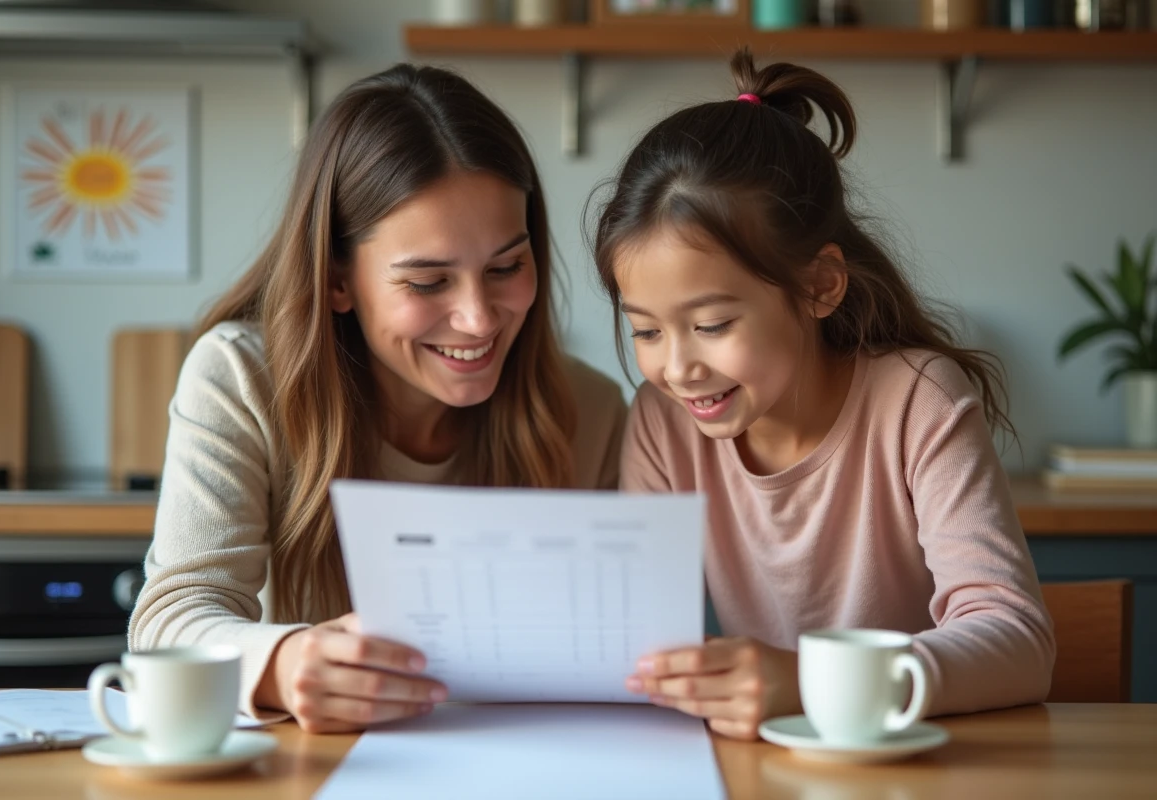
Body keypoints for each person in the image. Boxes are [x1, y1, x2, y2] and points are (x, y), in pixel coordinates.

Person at [129, 63, 627, 733]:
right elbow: (169, 620)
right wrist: (283, 661)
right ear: (339, 281)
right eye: (427, 283)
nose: (479, 319)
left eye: (507, 267)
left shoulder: (592, 410)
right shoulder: (239, 379)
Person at [591, 50, 1054, 741]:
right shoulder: (662, 423)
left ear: (819, 286)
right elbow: (629, 634)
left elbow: (1017, 640)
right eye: (647, 331)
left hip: (912, 766)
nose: (678, 367)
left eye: (712, 325)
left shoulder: (917, 400)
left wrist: (812, 680)